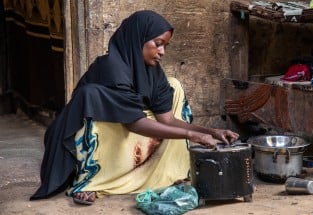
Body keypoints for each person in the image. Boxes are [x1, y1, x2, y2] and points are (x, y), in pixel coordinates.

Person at [30, 10, 239, 205]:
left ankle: (159, 172)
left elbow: (167, 120)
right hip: (91, 132)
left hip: (129, 127)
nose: (162, 52)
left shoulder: (152, 71)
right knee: (90, 96)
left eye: (165, 45)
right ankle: (91, 182)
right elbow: (135, 124)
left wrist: (211, 132)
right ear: (138, 39)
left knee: (174, 84)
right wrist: (192, 136)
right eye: (157, 44)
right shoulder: (112, 69)